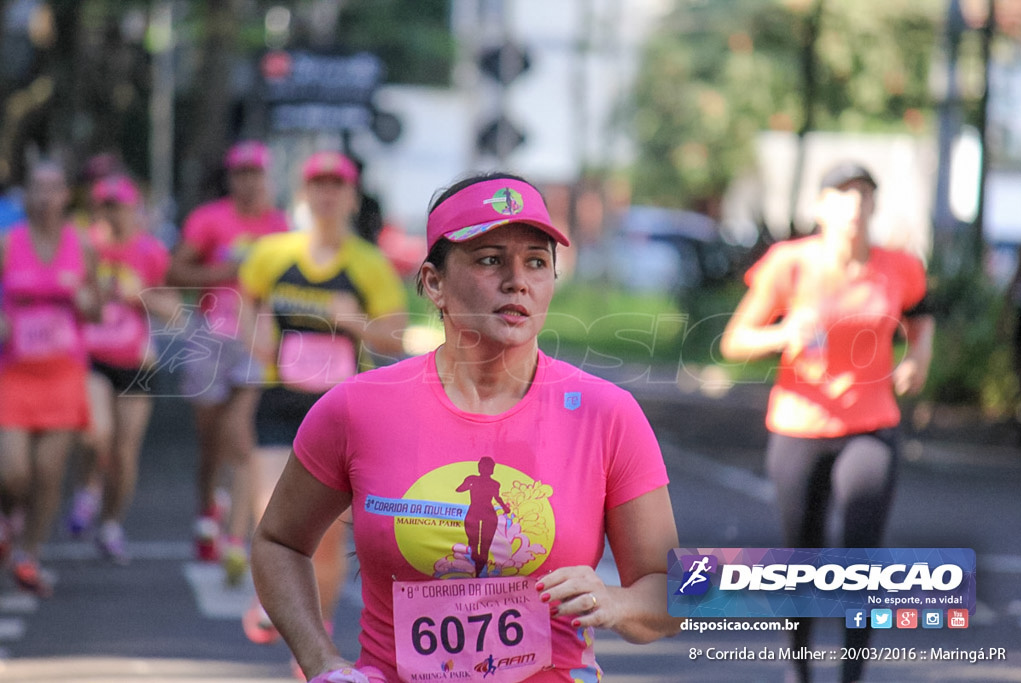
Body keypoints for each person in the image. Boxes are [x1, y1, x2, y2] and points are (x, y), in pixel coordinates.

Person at [251, 172, 683, 683]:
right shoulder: (357, 408)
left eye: (537, 262)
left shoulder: (606, 413)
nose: (516, 280)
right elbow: (278, 542)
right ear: (434, 282)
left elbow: (671, 592)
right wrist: (321, 662)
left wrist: (617, 600)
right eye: (490, 259)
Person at [719, 161, 935, 683]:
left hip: (871, 425)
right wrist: (782, 334)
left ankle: (851, 675)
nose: (854, 204)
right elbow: (733, 341)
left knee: (862, 556)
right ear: (820, 207)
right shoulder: (789, 264)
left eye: (864, 193)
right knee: (803, 556)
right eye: (842, 193)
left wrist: (917, 359)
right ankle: (801, 668)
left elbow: (921, 315)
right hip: (799, 425)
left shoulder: (898, 266)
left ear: (875, 206)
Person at [237, 150, 407, 646]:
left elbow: (395, 336)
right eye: (318, 185)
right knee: (271, 510)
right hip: (281, 400)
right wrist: (256, 338)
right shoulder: (272, 255)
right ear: (303, 194)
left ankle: (316, 633)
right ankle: (271, 593)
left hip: (341, 413)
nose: (327, 195)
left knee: (328, 535)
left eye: (337, 186)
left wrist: (353, 320)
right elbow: (244, 300)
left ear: (351, 197)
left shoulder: (369, 265)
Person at [166, 140, 289, 577]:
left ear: (267, 177)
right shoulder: (209, 220)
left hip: (255, 340)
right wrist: (227, 271)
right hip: (210, 338)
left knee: (240, 438)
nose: (250, 181)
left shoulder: (281, 226)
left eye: (257, 173)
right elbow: (174, 272)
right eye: (242, 174)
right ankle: (207, 512)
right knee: (210, 440)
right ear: (231, 178)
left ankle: (237, 539)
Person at [0, 160, 102, 596]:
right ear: (27, 195)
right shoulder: (8, 244)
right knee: (14, 472)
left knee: (47, 471)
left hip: (63, 374)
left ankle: (29, 554)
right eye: (37, 188)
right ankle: (9, 517)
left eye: (53, 188)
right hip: (15, 374)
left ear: (66, 195)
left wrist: (84, 299)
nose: (45, 197)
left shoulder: (82, 245)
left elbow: (97, 310)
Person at [65, 174, 178, 564]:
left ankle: (111, 524)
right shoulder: (83, 247)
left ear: (134, 210)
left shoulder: (150, 252)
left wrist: (139, 296)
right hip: (91, 356)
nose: (113, 214)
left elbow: (174, 310)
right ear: (95, 210)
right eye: (105, 206)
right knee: (97, 435)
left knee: (125, 453)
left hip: (135, 362)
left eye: (120, 206)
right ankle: (87, 488)